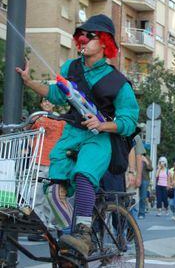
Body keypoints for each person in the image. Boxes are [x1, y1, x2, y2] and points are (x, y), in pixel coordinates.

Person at [16, 14, 139, 256]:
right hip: (71, 134)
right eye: (80, 35)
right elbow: (56, 94)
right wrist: (29, 82)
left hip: (98, 138)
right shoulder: (70, 68)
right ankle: (74, 239)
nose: (83, 40)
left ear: (104, 42)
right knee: (53, 190)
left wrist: (103, 125)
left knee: (84, 175)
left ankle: (83, 234)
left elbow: (129, 121)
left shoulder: (119, 82)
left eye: (90, 36)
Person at [29, 98, 66, 241]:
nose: (47, 103)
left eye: (49, 101)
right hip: (37, 161)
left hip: (53, 163)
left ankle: (51, 226)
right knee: (36, 195)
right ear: (40, 104)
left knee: (49, 197)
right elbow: (28, 132)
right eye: (44, 101)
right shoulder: (36, 118)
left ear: (54, 103)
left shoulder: (60, 120)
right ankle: (42, 228)